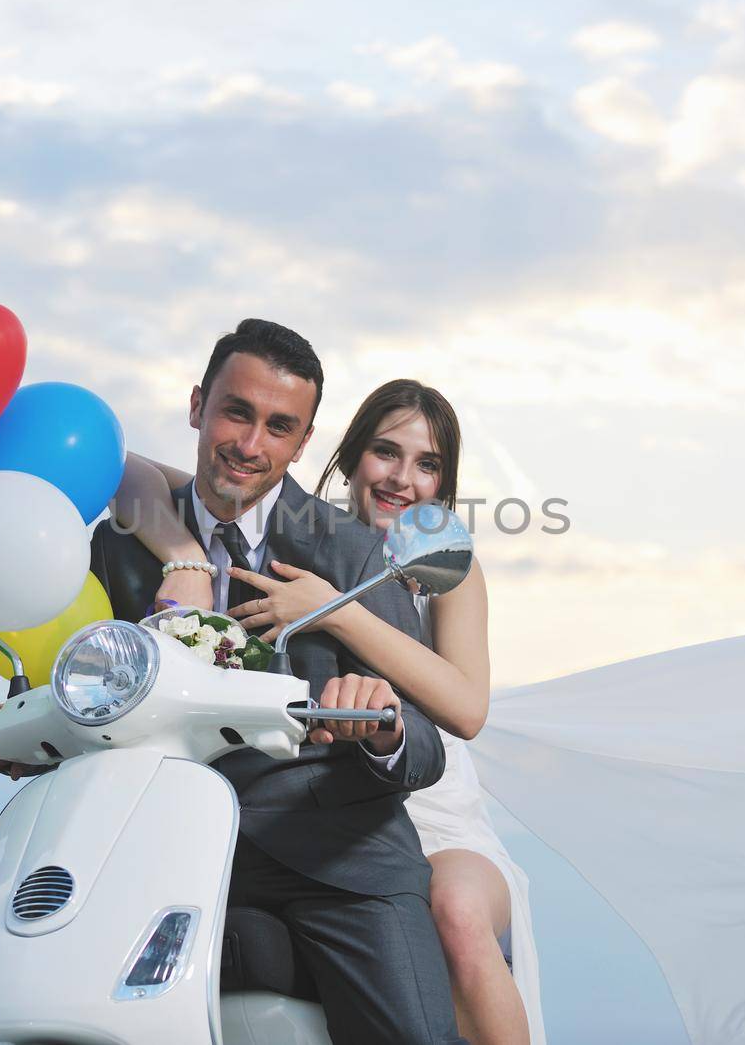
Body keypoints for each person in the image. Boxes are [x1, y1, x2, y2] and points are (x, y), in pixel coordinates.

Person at [0, 319, 468, 1045]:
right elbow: (81, 693)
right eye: (236, 412)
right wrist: (18, 729)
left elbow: (426, 746)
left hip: (340, 861)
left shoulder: (355, 552)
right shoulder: (116, 547)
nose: (251, 444)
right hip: (168, 854)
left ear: (303, 441)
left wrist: (383, 725)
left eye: (279, 426)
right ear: (198, 405)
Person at [115, 379, 543, 1045]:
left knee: (456, 912)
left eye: (427, 463)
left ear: (445, 482)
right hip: (337, 814)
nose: (403, 478)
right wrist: (185, 557)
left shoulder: (447, 567)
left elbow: (465, 706)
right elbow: (127, 471)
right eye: (385, 452)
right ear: (347, 458)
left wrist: (332, 608)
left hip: (436, 820)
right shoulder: (299, 531)